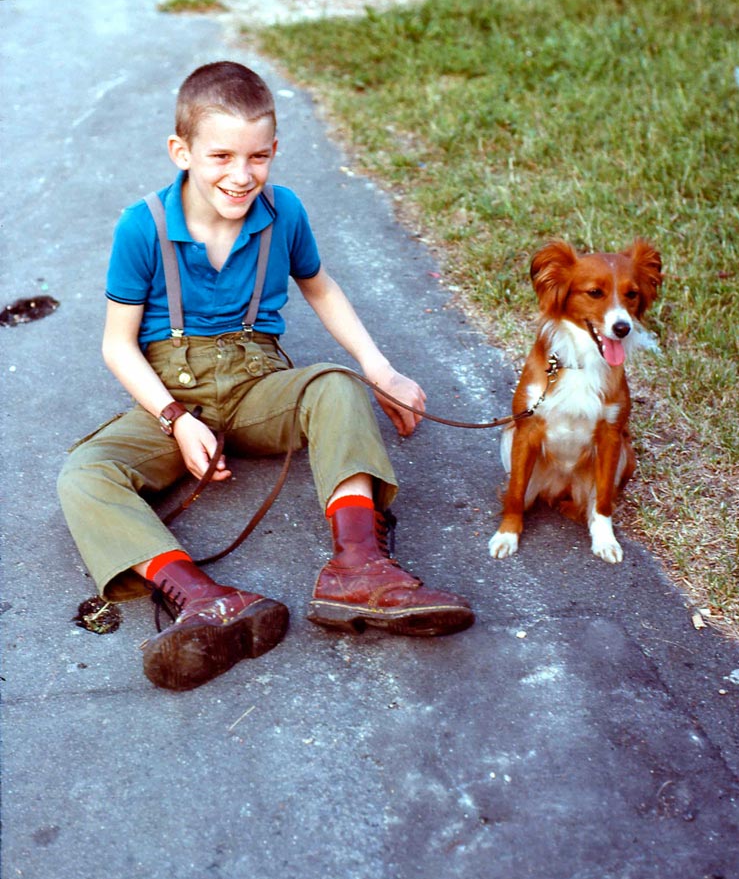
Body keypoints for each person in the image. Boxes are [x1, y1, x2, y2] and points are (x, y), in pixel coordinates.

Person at [58, 61, 473, 691]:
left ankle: (358, 567)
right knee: (83, 474)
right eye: (220, 155)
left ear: (274, 150)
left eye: (257, 156)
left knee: (334, 383)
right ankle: (203, 599)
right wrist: (174, 420)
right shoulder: (141, 226)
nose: (240, 174)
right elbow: (118, 346)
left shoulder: (283, 212)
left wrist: (379, 368)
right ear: (182, 151)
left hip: (257, 384)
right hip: (170, 394)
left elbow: (320, 288)